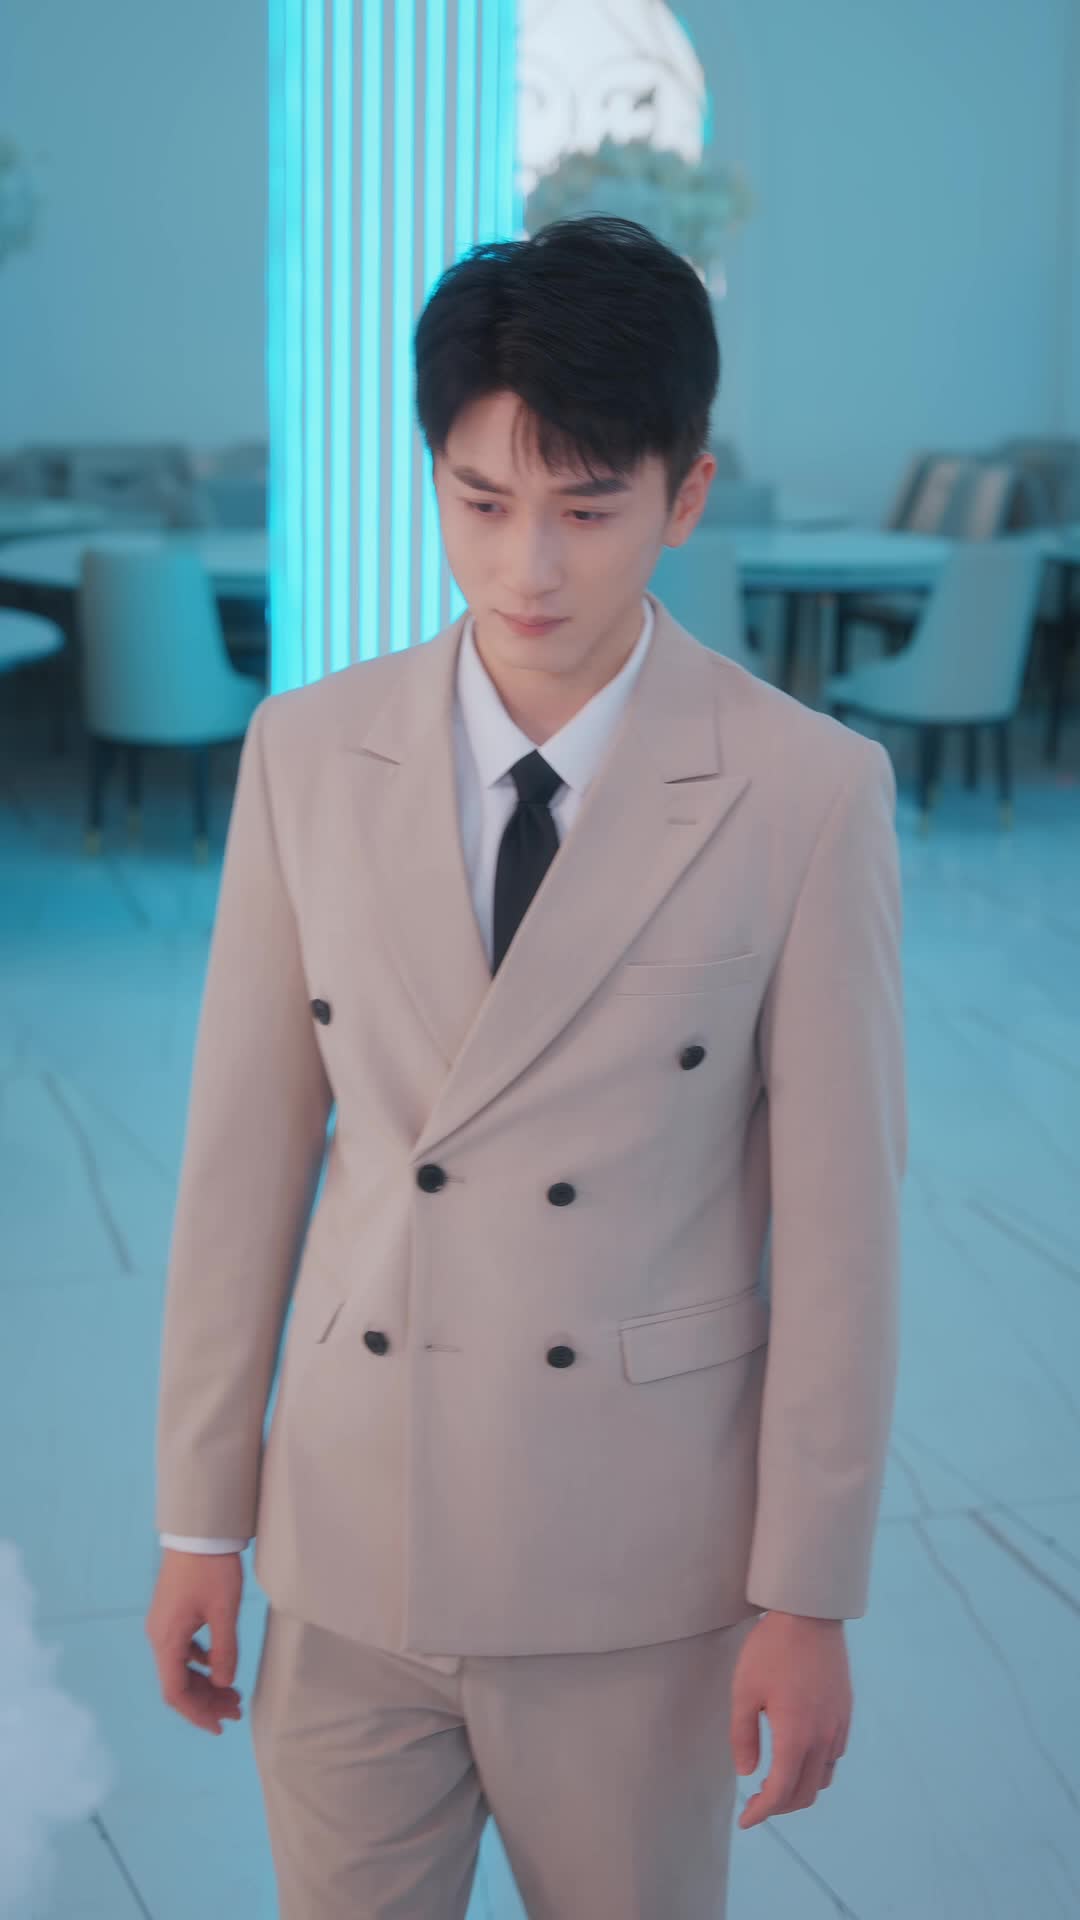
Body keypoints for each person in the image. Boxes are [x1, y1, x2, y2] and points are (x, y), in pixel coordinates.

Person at [145, 216, 905, 1918]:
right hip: (349, 1540)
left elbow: (843, 1244)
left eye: (586, 508)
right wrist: (201, 1518)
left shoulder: (806, 791)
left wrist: (810, 1596)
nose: (528, 567)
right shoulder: (304, 754)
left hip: (633, 1567)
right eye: (480, 503)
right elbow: (241, 1165)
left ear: (685, 497)